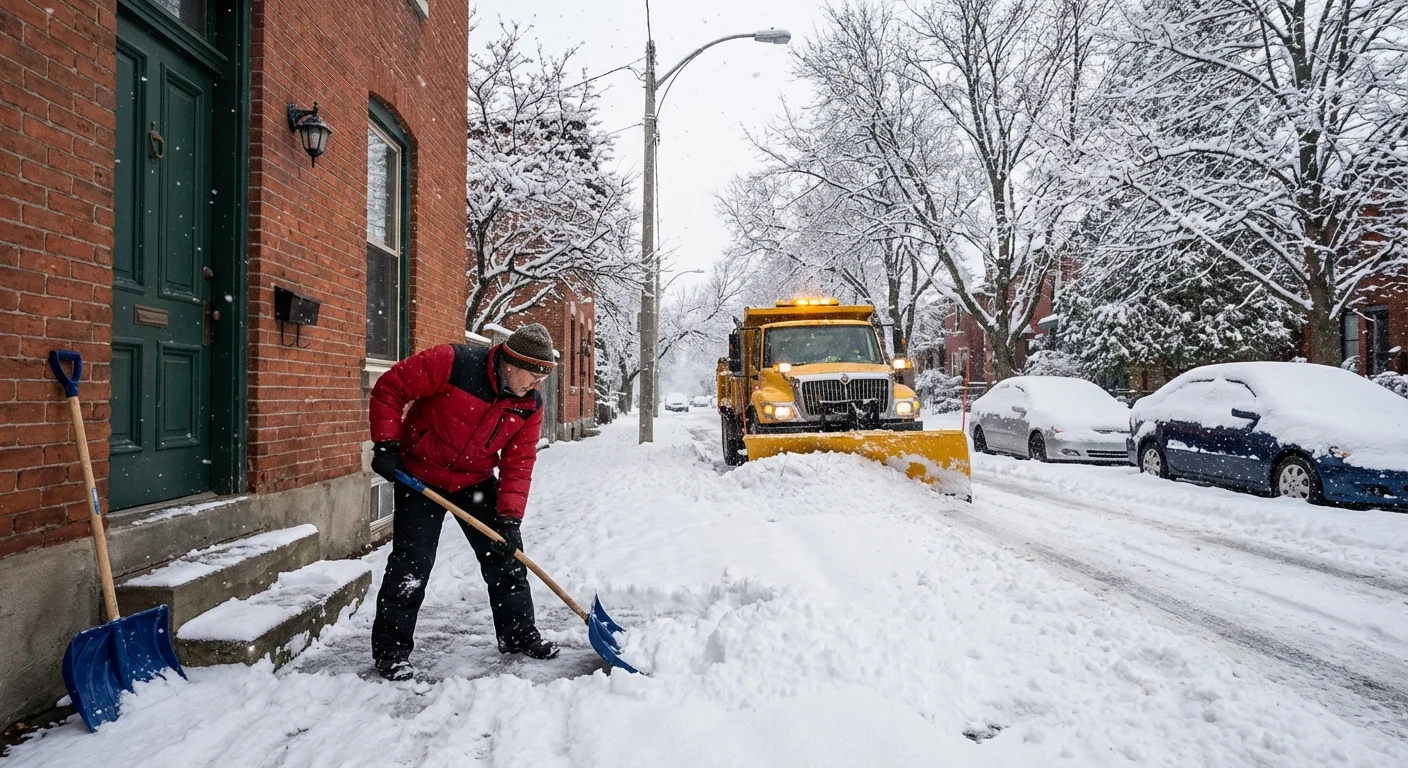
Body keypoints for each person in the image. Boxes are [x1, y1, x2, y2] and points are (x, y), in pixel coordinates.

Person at [366, 324, 557, 681]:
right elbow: (391, 386)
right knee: (412, 566)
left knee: (507, 557)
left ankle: (517, 635)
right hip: (420, 476)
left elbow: (519, 460)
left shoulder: (529, 403)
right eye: (534, 375)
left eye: (543, 378)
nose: (538, 384)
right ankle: (391, 652)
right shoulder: (452, 362)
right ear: (511, 364)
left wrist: (510, 518)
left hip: (476, 482)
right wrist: (386, 444)